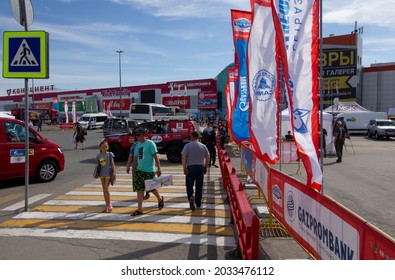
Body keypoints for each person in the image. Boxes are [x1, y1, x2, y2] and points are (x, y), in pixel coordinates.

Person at [130, 128, 164, 216]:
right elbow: (136, 158)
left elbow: (156, 157)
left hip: (149, 170)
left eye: (138, 135)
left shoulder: (150, 143)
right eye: (136, 135)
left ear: (144, 135)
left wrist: (159, 168)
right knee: (139, 189)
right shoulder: (137, 145)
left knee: (151, 188)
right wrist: (134, 170)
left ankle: (160, 199)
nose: (136, 137)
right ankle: (140, 209)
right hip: (139, 170)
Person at [181, 131, 210, 211]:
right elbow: (208, 157)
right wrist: (205, 167)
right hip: (200, 167)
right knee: (199, 186)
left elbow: (183, 157)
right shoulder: (203, 146)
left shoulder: (187, 146)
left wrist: (184, 168)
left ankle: (190, 196)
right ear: (198, 137)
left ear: (192, 136)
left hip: (191, 168)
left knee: (189, 185)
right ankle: (198, 202)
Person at [96, 141, 116, 213]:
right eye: (103, 147)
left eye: (106, 147)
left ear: (108, 147)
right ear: (100, 148)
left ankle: (109, 205)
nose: (104, 148)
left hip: (108, 174)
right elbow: (98, 165)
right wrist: (97, 173)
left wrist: (114, 173)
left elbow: (113, 164)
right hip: (102, 174)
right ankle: (107, 205)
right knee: (104, 190)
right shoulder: (98, 156)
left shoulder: (110, 154)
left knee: (106, 189)